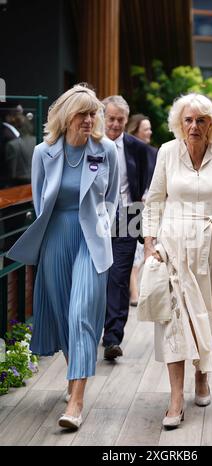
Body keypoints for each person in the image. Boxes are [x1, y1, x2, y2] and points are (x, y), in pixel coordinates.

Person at [6, 84, 120, 430]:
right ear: (66, 116)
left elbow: (112, 198)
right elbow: (41, 202)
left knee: (81, 312)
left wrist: (103, 227)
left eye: (93, 114)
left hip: (91, 240)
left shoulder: (107, 149)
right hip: (56, 238)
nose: (89, 120)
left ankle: (76, 401)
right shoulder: (44, 151)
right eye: (83, 114)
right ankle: (75, 377)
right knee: (62, 313)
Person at [143, 93, 212, 428]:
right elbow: (155, 199)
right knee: (173, 320)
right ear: (179, 123)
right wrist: (149, 243)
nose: (194, 126)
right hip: (173, 246)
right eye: (188, 120)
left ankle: (202, 376)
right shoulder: (167, 152)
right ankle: (175, 399)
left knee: (208, 316)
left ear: (211, 124)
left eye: (201, 120)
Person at [102, 96, 149, 360]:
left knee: (119, 277)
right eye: (112, 119)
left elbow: (143, 180)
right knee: (101, 275)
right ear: (103, 118)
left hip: (129, 214)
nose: (116, 124)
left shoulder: (136, 147)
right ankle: (97, 327)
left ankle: (112, 338)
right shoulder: (92, 144)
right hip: (97, 218)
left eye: (121, 119)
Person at [126, 113, 158, 306]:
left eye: (150, 128)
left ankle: (138, 289)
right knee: (133, 251)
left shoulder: (154, 152)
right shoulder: (126, 152)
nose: (150, 132)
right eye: (146, 129)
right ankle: (134, 292)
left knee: (143, 250)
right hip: (130, 207)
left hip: (150, 207)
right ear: (135, 131)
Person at [5, 116, 36, 185]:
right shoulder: (40, 142)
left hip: (18, 184)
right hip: (37, 181)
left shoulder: (12, 145)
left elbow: (12, 172)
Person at [0, 101, 24, 188]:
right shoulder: (5, 133)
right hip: (7, 181)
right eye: (19, 114)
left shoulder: (12, 132)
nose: (22, 118)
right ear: (9, 117)